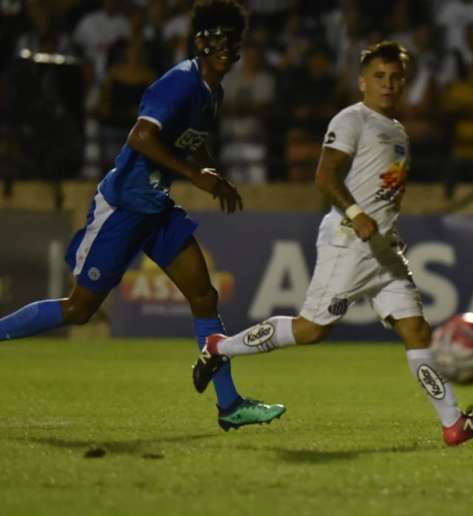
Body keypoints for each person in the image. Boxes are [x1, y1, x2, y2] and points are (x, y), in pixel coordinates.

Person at [192, 41, 473, 446]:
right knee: (310, 330)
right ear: (362, 81)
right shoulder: (352, 120)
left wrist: (386, 230)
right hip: (349, 242)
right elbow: (325, 176)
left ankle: (453, 423)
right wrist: (357, 216)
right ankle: (220, 348)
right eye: (379, 77)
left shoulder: (398, 132)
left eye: (395, 78)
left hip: (384, 249)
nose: (387, 84)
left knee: (416, 330)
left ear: (403, 82)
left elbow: (382, 191)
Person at [0, 0, 285, 431]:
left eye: (234, 40)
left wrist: (211, 173)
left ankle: (230, 406)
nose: (227, 48)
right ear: (202, 42)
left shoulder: (212, 92)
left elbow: (191, 140)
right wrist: (194, 175)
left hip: (156, 208)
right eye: (219, 39)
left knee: (204, 296)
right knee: (79, 309)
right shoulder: (180, 82)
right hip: (125, 207)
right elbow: (142, 135)